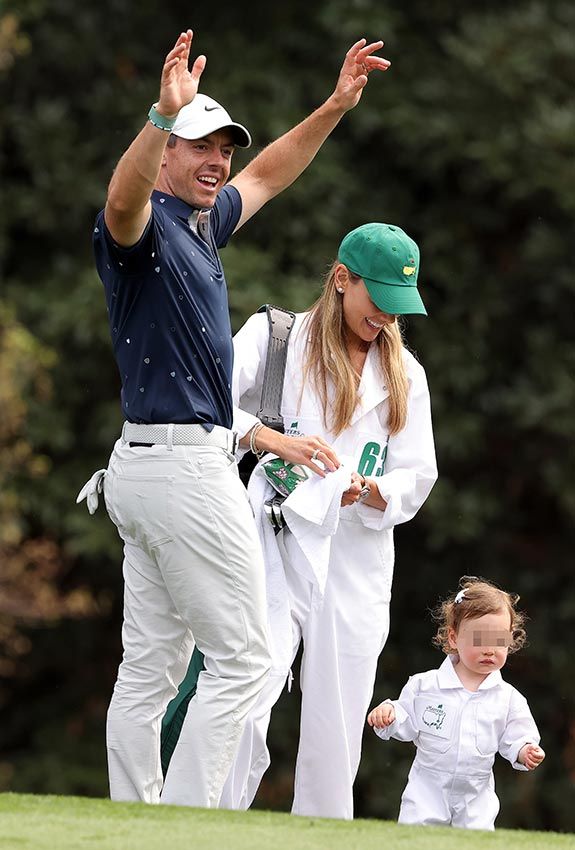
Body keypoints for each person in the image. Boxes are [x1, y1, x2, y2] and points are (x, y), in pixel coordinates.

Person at [84, 29, 391, 809]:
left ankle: (134, 821)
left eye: (222, 149)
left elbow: (268, 174)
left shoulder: (200, 223)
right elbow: (120, 199)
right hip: (183, 470)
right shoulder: (142, 229)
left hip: (147, 466)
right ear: (167, 154)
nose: (217, 162)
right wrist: (160, 117)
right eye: (201, 148)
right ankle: (183, 823)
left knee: (149, 670)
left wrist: (332, 105)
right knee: (248, 660)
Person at [203, 221, 437, 819]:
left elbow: (417, 473)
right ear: (341, 280)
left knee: (339, 715)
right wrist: (273, 442)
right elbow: (205, 405)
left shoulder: (406, 372)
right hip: (275, 534)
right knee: (249, 689)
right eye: (376, 301)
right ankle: (209, 822)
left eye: (397, 307)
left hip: (357, 552)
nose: (385, 318)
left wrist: (373, 491)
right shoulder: (277, 336)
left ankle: (325, 832)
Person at [367, 576, 545, 831]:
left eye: (498, 640)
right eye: (479, 640)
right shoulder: (425, 686)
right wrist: (390, 712)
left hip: (477, 793)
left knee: (476, 841)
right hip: (427, 786)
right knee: (416, 838)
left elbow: (516, 735)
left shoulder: (508, 698)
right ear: (453, 638)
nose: (489, 650)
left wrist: (525, 749)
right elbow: (405, 717)